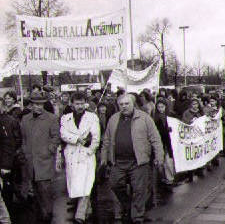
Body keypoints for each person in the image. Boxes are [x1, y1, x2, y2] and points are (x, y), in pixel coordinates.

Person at [101, 93, 164, 224]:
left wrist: (159, 156)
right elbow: (106, 140)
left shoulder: (144, 118)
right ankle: (128, 205)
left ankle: (137, 217)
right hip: (118, 162)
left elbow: (156, 139)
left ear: (133, 104)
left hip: (138, 161)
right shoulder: (113, 119)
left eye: (127, 104)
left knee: (139, 190)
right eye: (121, 104)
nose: (124, 106)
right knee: (114, 184)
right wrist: (103, 158)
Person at [60, 92, 100, 224]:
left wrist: (90, 150)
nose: (80, 106)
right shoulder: (65, 118)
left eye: (82, 103)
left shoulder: (92, 117)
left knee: (86, 183)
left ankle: (80, 215)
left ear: (85, 103)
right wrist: (77, 138)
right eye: (77, 103)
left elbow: (96, 137)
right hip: (71, 155)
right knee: (76, 185)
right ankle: (87, 209)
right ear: (72, 104)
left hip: (86, 155)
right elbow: (63, 134)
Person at [21, 91, 60, 222]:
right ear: (31, 105)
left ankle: (48, 219)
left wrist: (49, 150)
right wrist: (25, 152)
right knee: (34, 197)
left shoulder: (52, 118)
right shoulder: (25, 119)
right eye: (36, 104)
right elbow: (23, 138)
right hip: (30, 164)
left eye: (41, 104)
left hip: (45, 163)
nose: (39, 107)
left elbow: (56, 137)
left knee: (46, 196)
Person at [0, 97, 22, 218]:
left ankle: (9, 215)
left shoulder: (8, 121)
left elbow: (11, 144)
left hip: (5, 164)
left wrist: (6, 165)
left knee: (6, 193)